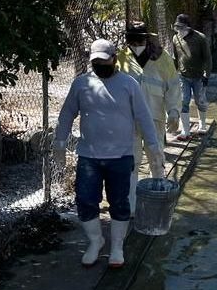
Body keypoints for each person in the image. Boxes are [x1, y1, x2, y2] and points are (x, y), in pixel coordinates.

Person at [53, 39, 164, 267]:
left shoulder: (129, 84)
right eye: (96, 62)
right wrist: (60, 143)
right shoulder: (81, 84)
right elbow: (66, 114)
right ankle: (96, 241)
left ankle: (117, 247)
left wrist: (154, 148)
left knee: (120, 203)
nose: (100, 65)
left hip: (121, 157)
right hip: (89, 157)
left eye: (105, 61)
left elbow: (144, 117)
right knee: (85, 201)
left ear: (114, 59)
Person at [116, 22, 180, 211]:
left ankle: (158, 197)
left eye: (139, 40)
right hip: (129, 118)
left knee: (156, 156)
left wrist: (174, 111)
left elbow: (173, 86)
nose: (136, 44)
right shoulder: (121, 58)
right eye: (133, 40)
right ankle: (131, 205)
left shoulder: (162, 58)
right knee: (131, 160)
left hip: (154, 116)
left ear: (147, 38)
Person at [171, 14, 212, 140]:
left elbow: (207, 58)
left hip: (199, 76)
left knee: (200, 100)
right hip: (183, 76)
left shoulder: (200, 38)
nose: (180, 31)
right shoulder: (175, 38)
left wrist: (207, 74)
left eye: (182, 28)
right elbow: (175, 58)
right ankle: (185, 131)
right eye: (177, 28)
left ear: (188, 27)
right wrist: (172, 74)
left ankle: (202, 125)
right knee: (184, 101)